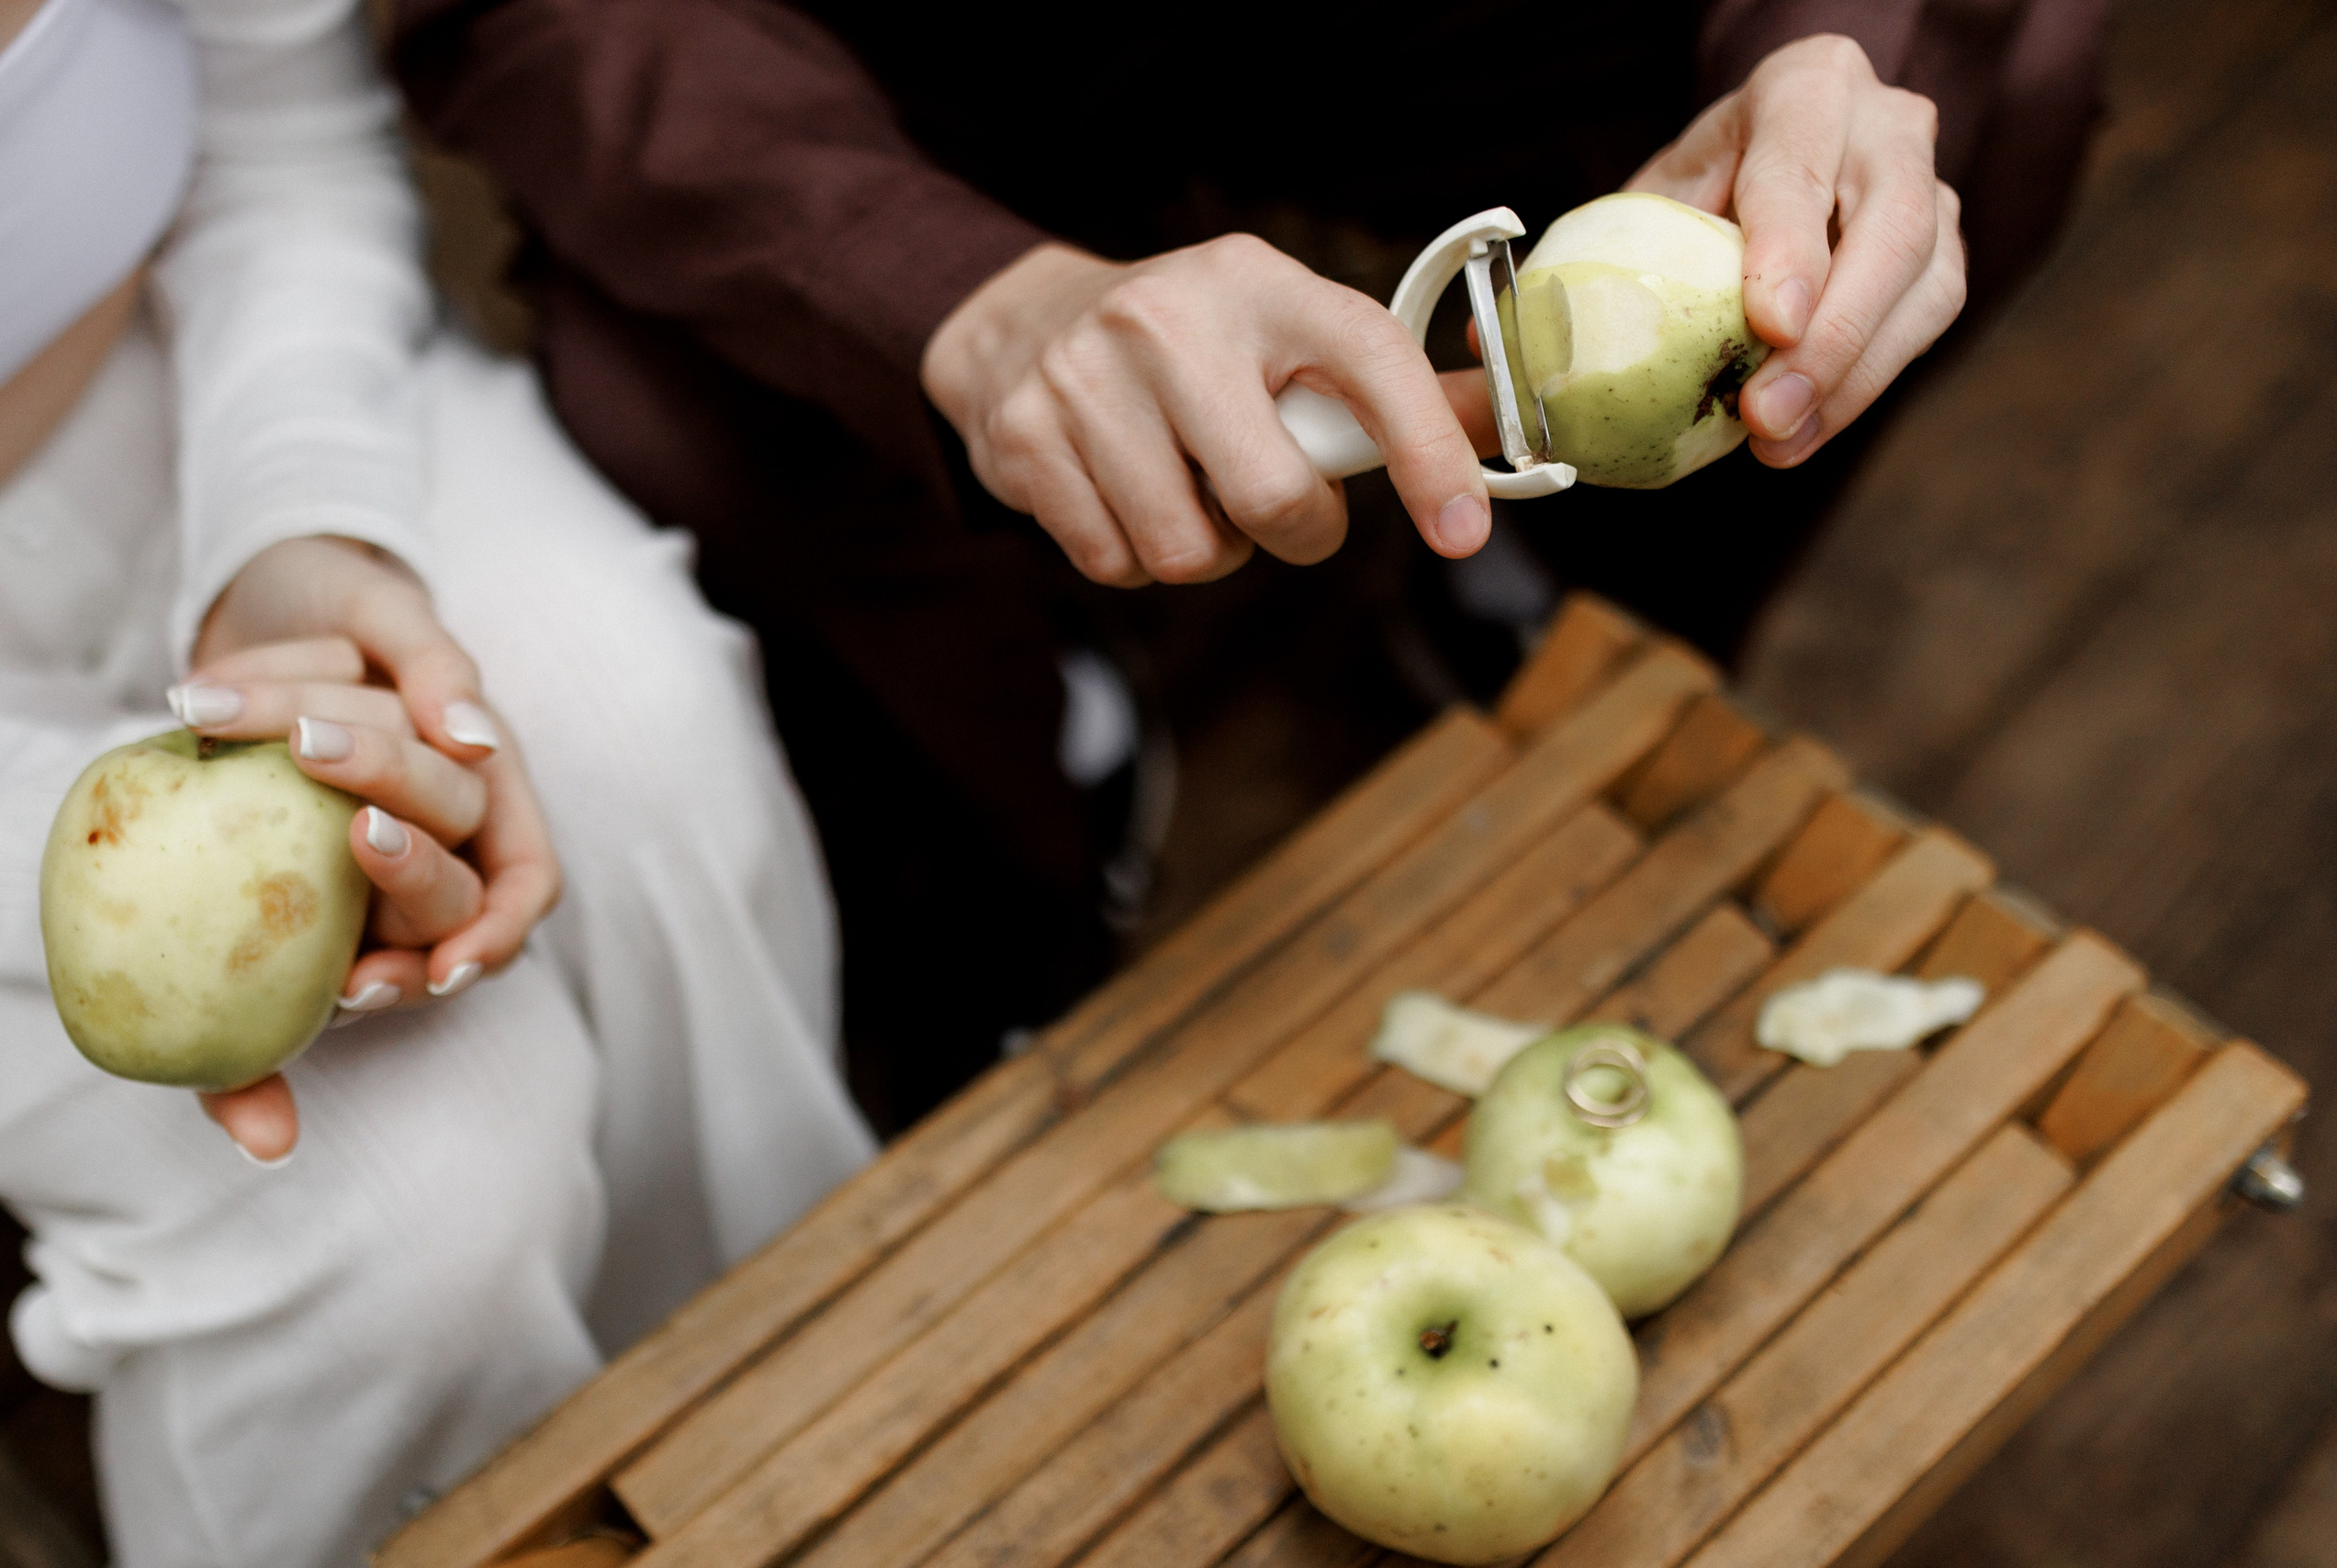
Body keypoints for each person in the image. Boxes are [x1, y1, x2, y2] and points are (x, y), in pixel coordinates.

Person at [387, 0, 2103, 1132]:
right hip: (902, 37)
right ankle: (1029, 785)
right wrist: (955, 296)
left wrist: (1832, 47)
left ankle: (1551, 591)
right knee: (677, 406)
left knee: (2000, 62)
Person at [0, 0, 873, 1558]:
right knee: (418, 1206)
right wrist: (109, 892)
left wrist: (300, 526)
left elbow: (278, 140)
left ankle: (811, 1425)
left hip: (205, 385)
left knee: (638, 741)